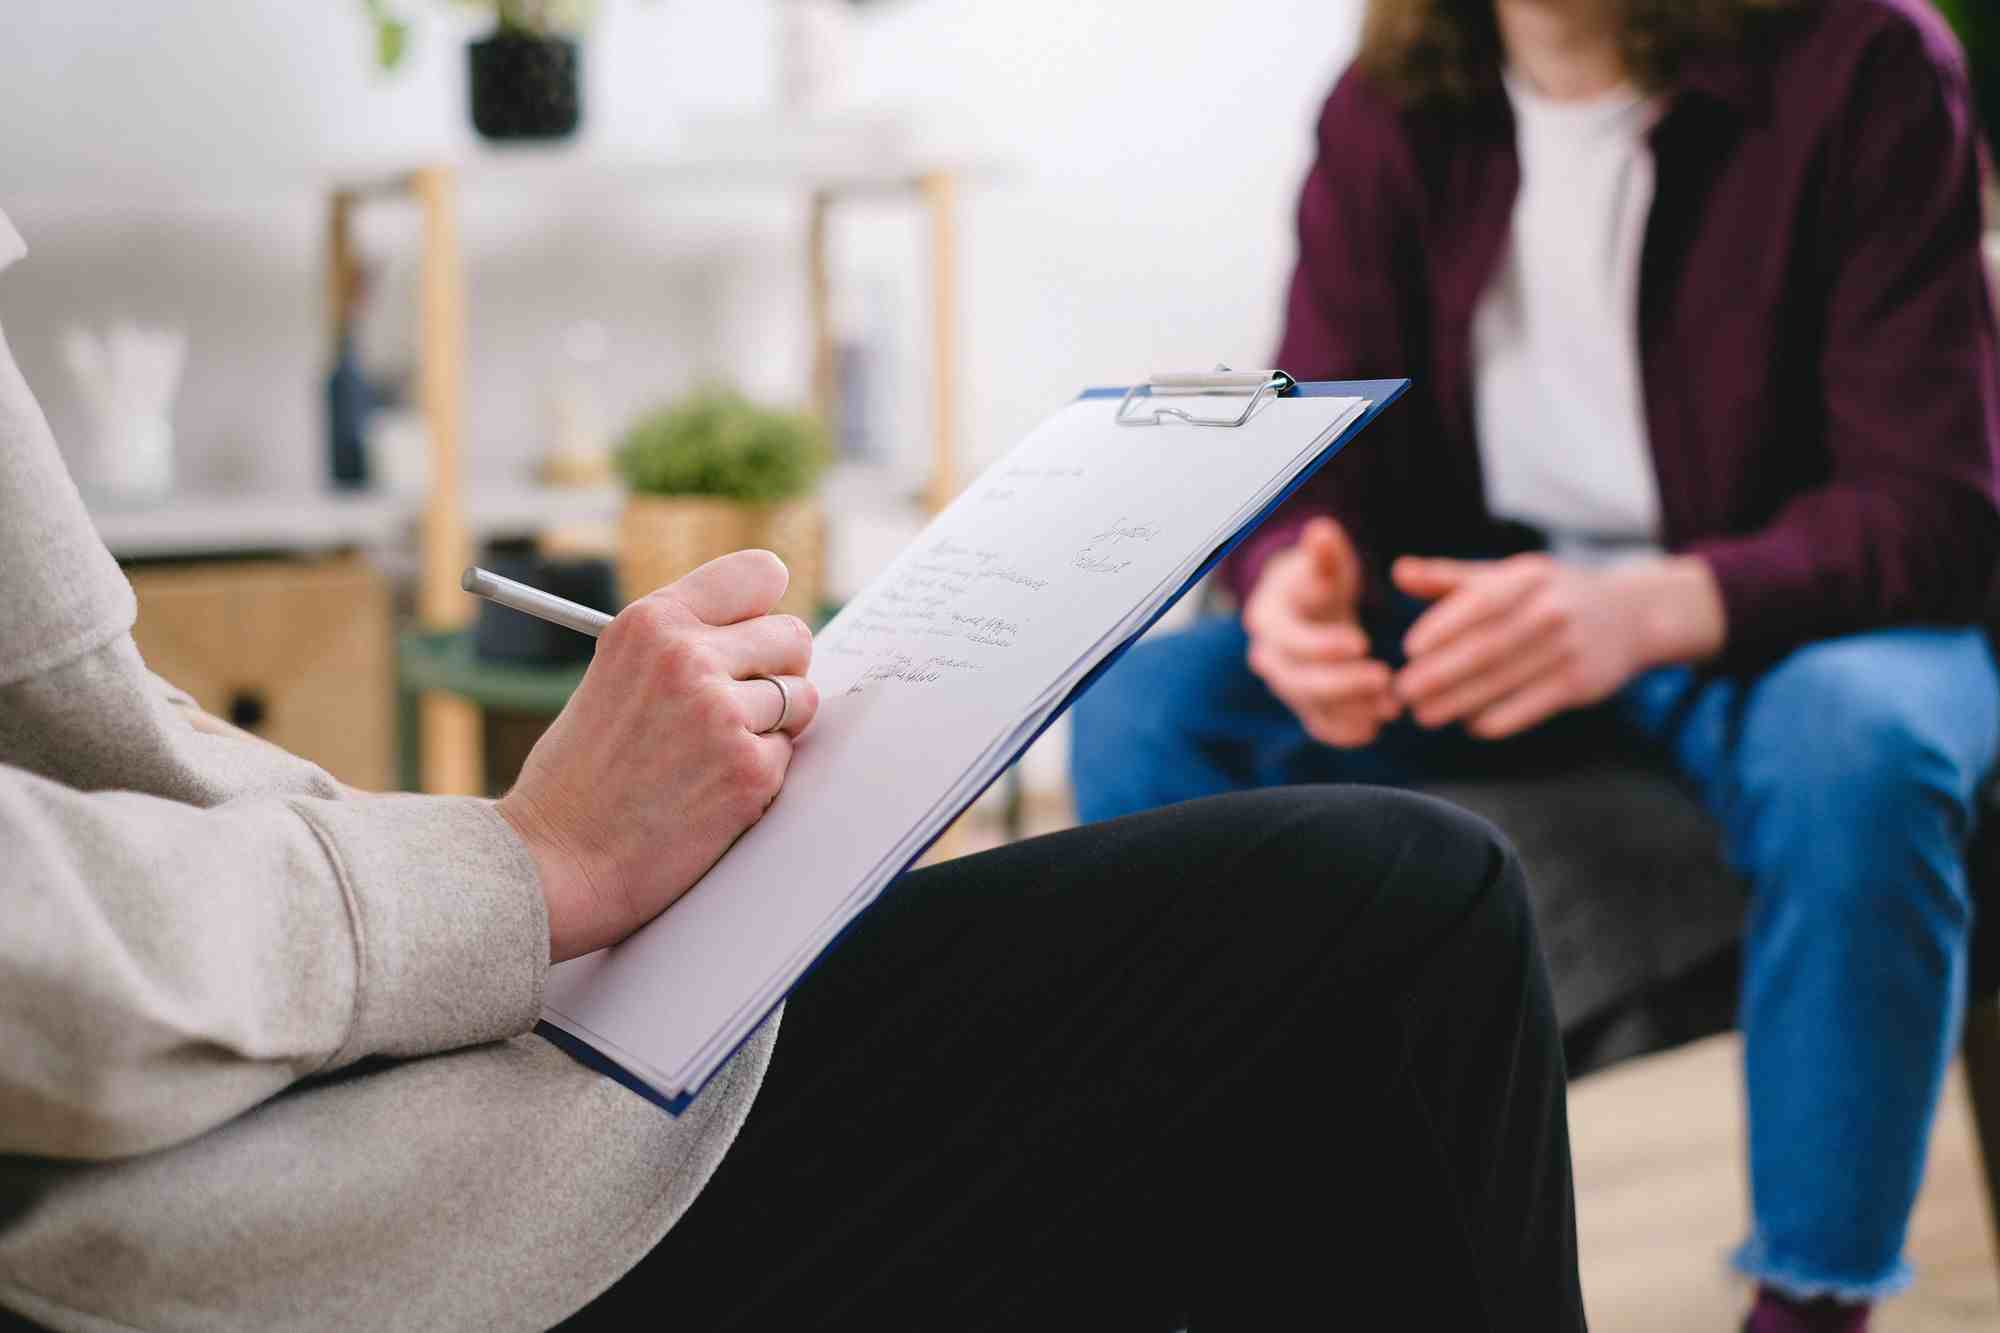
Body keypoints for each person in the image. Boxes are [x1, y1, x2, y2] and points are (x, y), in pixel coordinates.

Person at [0, 204, 1584, 1330]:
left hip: (321, 1106)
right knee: (1401, 919)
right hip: (242, 1228)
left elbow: (91, 752)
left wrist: (503, 849)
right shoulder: (1401, 122)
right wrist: (522, 863)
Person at [1070, 1, 2000, 1330]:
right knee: (1151, 704)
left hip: (1784, 623)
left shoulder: (1868, 61)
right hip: (1490, 622)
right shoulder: (1385, 108)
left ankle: (1811, 1299)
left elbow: (1934, 510)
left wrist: (1648, 609)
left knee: (1865, 747)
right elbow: (1314, 438)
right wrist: (1293, 577)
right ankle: (1266, 1248)